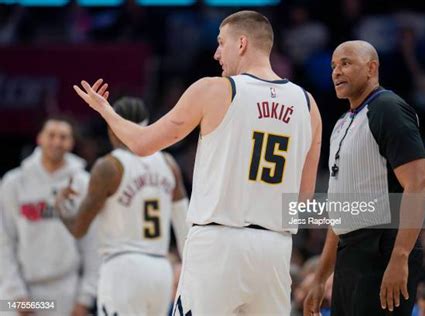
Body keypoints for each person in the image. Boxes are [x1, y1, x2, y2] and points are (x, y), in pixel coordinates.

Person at [73, 10, 322, 316]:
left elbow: (142, 144)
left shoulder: (215, 89)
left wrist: (106, 112)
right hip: (275, 248)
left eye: (221, 43)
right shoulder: (308, 105)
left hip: (218, 243)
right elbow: (304, 199)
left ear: (241, 43)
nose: (217, 53)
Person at [304, 40, 425, 316]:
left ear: (372, 68)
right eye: (333, 66)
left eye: (346, 63)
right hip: (350, 254)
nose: (336, 72)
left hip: (384, 249)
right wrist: (319, 277)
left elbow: (419, 186)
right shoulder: (340, 124)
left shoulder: (388, 109)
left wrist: (400, 257)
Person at [55, 97, 190, 316]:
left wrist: (61, 206)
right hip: (161, 270)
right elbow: (185, 229)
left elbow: (79, 228)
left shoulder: (109, 166)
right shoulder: (168, 164)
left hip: (122, 268)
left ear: (113, 125)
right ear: (147, 124)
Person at [0, 116, 99, 316]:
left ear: (71, 142)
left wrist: (85, 297)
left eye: (63, 137)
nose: (56, 141)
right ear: (39, 139)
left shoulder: (83, 183)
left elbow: (93, 243)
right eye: (51, 135)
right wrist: (16, 293)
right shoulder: (13, 182)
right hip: (17, 290)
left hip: (65, 291)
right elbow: (4, 241)